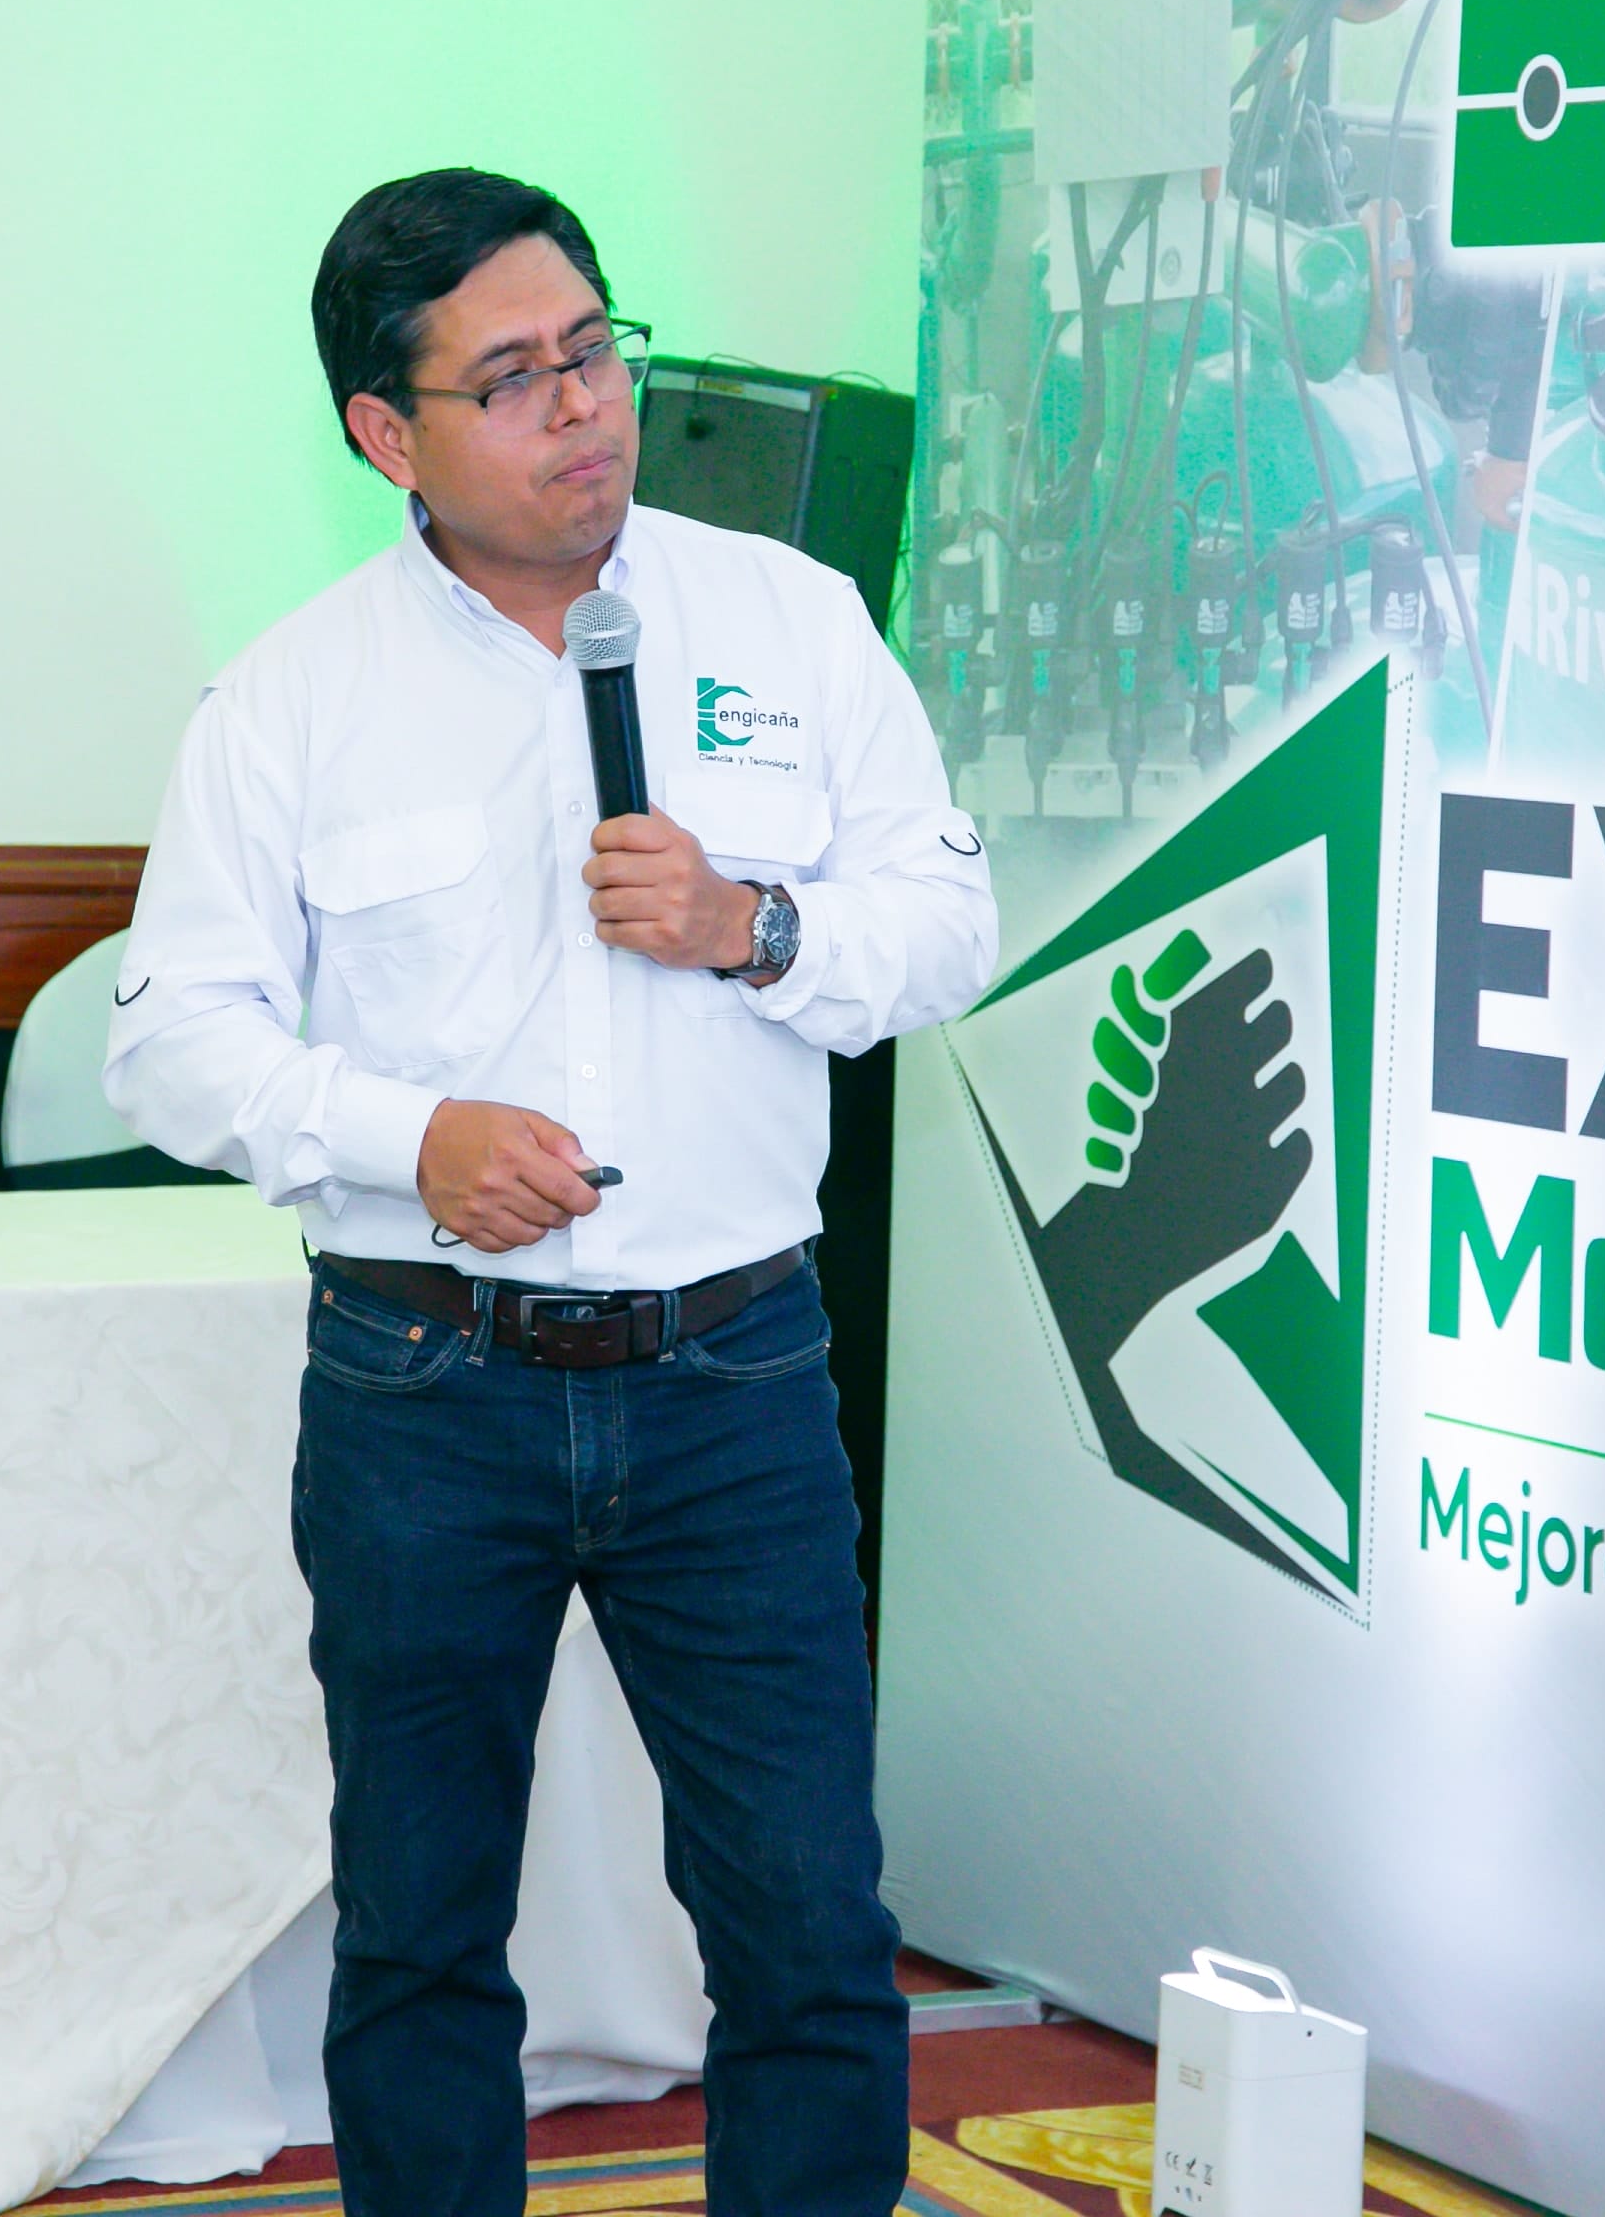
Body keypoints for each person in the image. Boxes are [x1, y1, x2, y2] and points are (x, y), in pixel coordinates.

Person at [105, 169, 996, 2217]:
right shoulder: (292, 696)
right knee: (419, 1934)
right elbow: (169, 1039)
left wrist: (754, 922)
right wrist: (398, 1135)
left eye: (595, 349)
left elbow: (947, 924)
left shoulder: (789, 620)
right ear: (385, 432)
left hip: (734, 1374)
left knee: (805, 1922)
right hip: (426, 1389)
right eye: (510, 378)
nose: (583, 406)